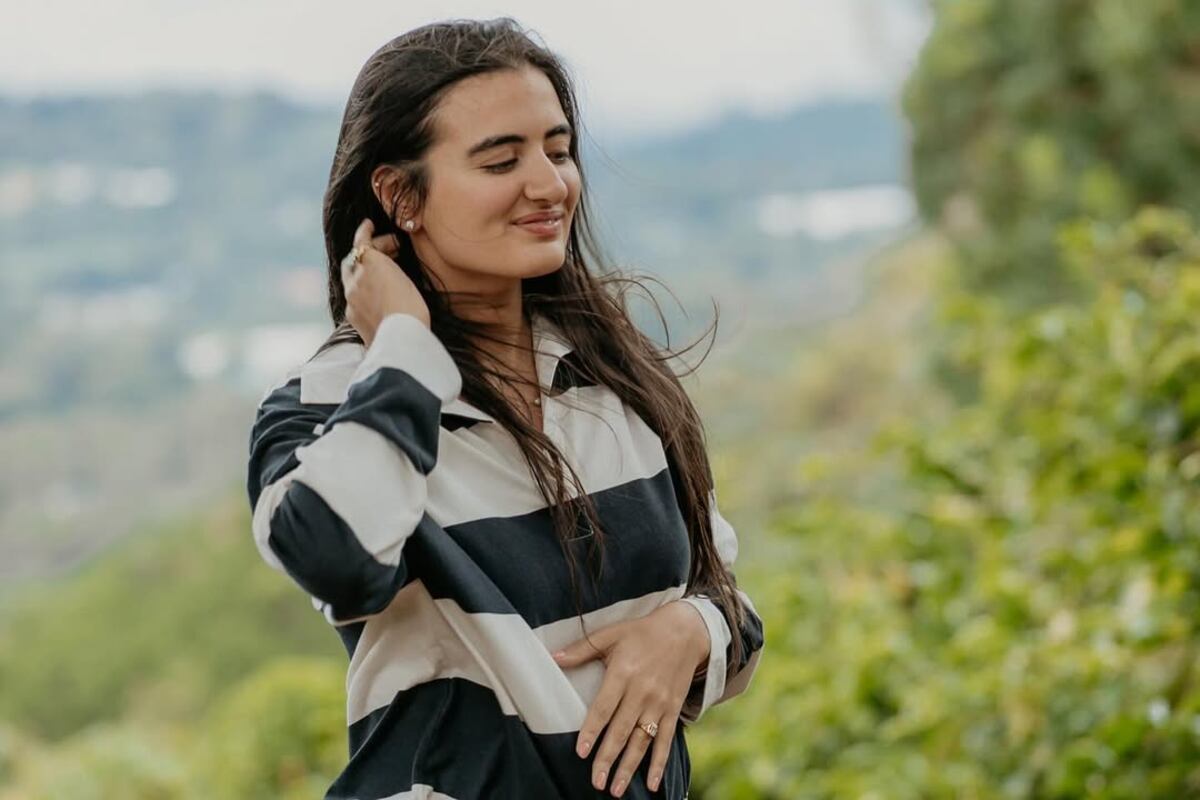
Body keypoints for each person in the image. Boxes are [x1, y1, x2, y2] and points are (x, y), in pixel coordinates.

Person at [245, 17, 764, 800]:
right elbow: (333, 559)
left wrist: (689, 631)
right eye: (501, 160)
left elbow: (728, 598)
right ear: (398, 195)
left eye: (557, 150)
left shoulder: (612, 375)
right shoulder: (338, 397)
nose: (549, 184)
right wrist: (406, 349)